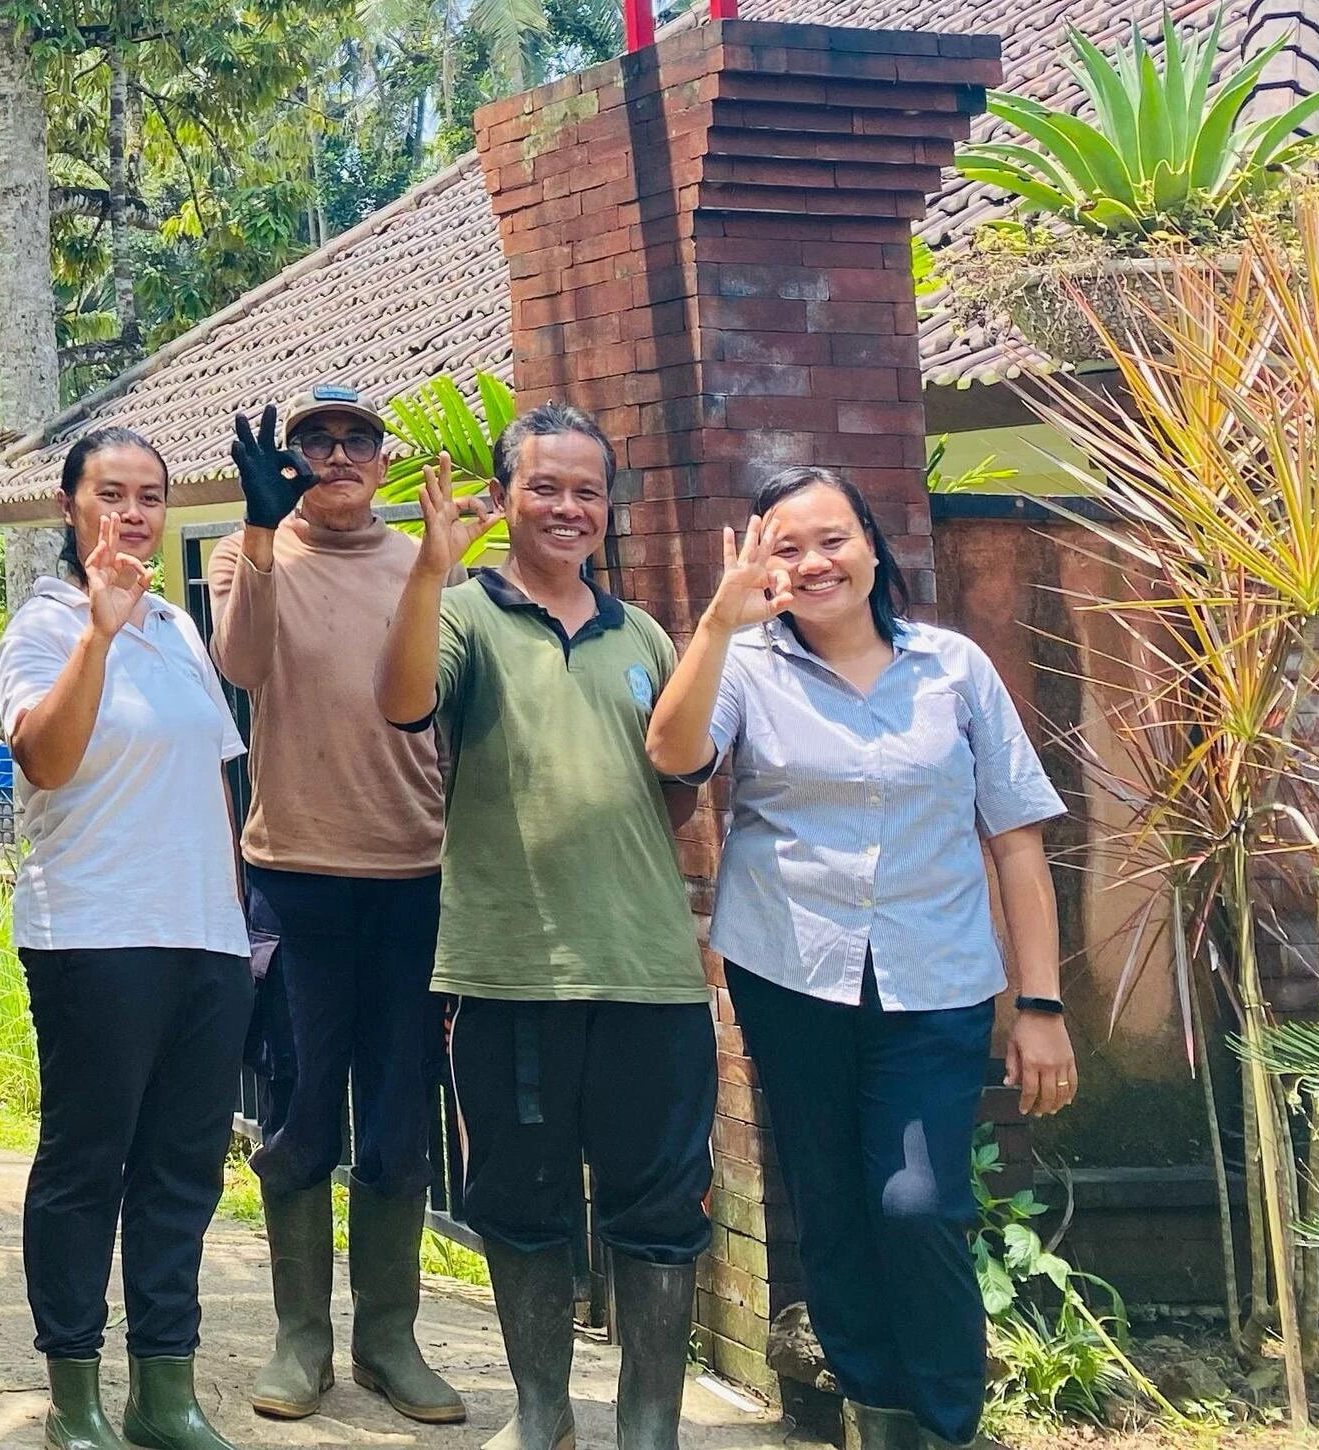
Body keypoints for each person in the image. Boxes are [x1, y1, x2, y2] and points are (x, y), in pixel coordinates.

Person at [645, 468, 1073, 1450]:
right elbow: (670, 755)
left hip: (936, 982)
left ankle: (947, 1421)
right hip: (790, 976)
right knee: (831, 1205)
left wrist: (1040, 1003)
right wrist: (715, 622)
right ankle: (876, 1418)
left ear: (872, 546)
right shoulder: (745, 663)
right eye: (785, 546)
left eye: (830, 539)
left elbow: (1017, 841)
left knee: (916, 1203)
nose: (812, 562)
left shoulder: (953, 668)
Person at [372, 405, 707, 1450]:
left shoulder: (642, 634)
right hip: (511, 968)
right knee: (521, 1202)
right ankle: (542, 1413)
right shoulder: (464, 614)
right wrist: (427, 571)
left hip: (650, 972)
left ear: (606, 507)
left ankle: (648, 1427)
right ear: (503, 496)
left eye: (586, 491)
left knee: (659, 1210)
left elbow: (676, 789)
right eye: (545, 487)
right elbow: (400, 700)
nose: (568, 507)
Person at [208, 388, 461, 1426]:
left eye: (358, 439)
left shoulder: (426, 564)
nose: (339, 454)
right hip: (296, 872)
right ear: (294, 460)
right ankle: (300, 1336)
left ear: (382, 460)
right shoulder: (249, 554)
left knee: (399, 1116)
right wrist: (260, 530)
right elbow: (240, 666)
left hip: (414, 872)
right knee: (299, 1108)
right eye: (317, 440)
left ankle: (388, 1337)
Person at [0, 428, 252, 1450]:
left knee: (183, 1171)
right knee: (85, 1166)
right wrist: (97, 636)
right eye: (111, 493)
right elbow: (45, 760)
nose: (133, 513)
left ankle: (163, 1392)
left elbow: (217, 783)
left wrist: (235, 923)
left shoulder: (179, 627)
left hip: (204, 938)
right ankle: (73, 1398)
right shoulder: (42, 624)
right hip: (94, 934)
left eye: (149, 495)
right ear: (70, 506)